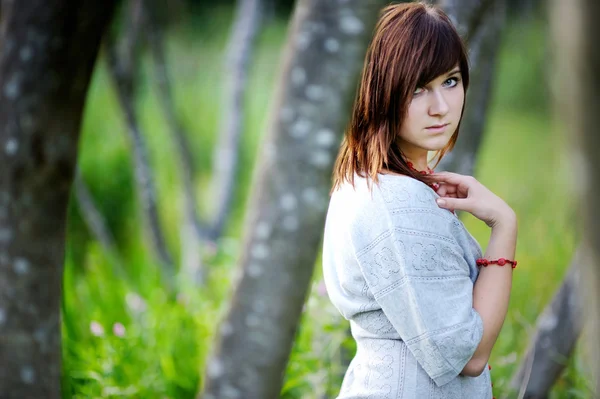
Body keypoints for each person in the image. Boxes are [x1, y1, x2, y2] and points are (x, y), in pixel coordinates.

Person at [322, 2, 517, 398]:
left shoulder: (361, 179)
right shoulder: (399, 202)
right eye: (417, 89)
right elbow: (470, 355)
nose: (441, 107)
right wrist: (504, 225)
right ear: (382, 92)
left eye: (451, 81)